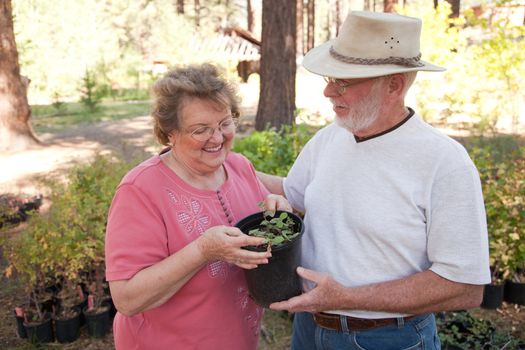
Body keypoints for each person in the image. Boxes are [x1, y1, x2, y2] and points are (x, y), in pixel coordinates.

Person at [259, 11, 491, 350]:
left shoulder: (444, 162)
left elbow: (464, 286)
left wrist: (347, 297)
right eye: (329, 77)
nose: (327, 91)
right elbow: (294, 195)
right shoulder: (330, 138)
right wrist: (225, 166)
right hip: (309, 327)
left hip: (386, 338)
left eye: (343, 81)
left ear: (394, 85)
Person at [105, 63, 290, 349]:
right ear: (170, 133)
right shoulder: (141, 190)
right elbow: (127, 299)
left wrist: (279, 210)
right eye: (200, 129)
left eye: (225, 123)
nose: (217, 138)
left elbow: (266, 223)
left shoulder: (238, 166)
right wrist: (202, 251)